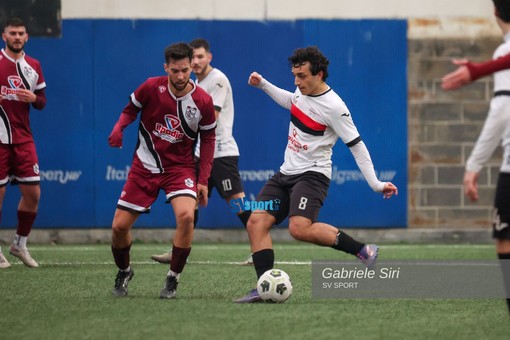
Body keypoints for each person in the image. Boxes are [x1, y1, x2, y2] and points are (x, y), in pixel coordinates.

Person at [234, 46, 398, 303]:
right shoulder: (301, 94)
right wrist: (263, 84)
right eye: (295, 76)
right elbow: (290, 100)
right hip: (285, 173)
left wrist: (376, 184)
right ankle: (263, 286)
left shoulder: (335, 107)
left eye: (302, 76)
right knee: (256, 222)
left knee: (299, 228)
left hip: (312, 176)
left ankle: (362, 250)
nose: (297, 82)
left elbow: (357, 145)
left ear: (319, 74)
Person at [107, 42, 216, 299]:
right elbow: (130, 110)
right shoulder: (150, 87)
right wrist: (118, 127)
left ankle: (173, 278)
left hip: (180, 169)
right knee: (119, 228)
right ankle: (124, 271)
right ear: (166, 67)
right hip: (144, 166)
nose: (180, 76)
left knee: (187, 217)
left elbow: (209, 141)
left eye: (185, 70)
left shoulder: (203, 101)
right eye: (175, 71)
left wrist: (203, 180)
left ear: (192, 67)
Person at [151, 38, 253, 266]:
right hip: (200, 154)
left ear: (209, 57)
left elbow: (211, 120)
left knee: (238, 205)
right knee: (189, 202)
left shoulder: (217, 80)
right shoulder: (195, 82)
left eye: (200, 57)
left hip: (222, 153)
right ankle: (177, 251)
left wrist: (175, 127)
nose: (196, 62)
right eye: (193, 58)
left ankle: (261, 249)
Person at [453, 0, 510, 313]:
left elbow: (502, 110)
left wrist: (473, 165)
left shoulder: (504, 52)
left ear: (495, 12)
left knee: (505, 241)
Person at [0, 18, 47, 269]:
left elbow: (42, 102)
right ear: (4, 36)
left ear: (27, 37)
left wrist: (33, 98)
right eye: (12, 33)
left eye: (21, 33)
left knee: (33, 194)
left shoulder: (34, 65)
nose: (17, 37)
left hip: (23, 138)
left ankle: (19, 244)